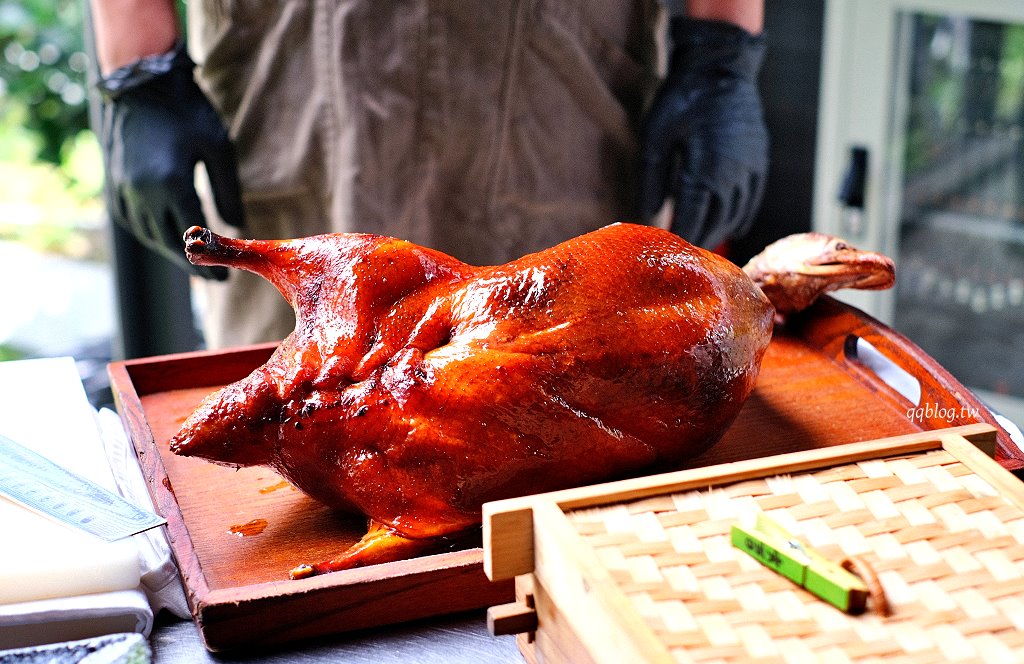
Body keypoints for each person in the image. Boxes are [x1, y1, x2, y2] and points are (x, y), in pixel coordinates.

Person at [89, 0, 768, 349]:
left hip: (554, 58)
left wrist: (722, 49)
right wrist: (137, 65)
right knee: (292, 397)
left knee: (558, 361)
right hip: (290, 51)